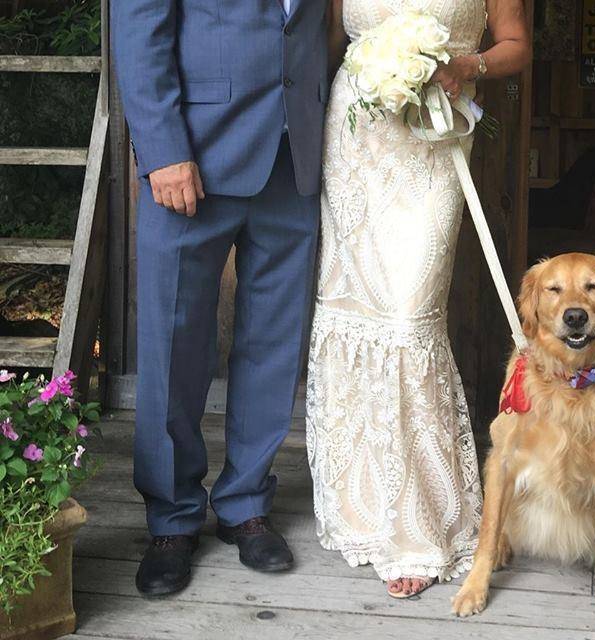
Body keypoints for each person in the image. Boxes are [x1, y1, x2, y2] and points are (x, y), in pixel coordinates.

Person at [305, 0, 531, 598]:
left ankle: (417, 520)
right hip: (356, 138)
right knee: (354, 308)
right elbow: (327, 43)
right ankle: (361, 498)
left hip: (433, 139)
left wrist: (468, 64)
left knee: (409, 315)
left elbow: (516, 44)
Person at [111, 0, 328, 596]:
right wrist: (161, 150)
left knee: (273, 343)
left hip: (295, 155)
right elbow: (138, 31)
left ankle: (244, 505)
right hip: (192, 155)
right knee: (172, 344)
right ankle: (172, 520)